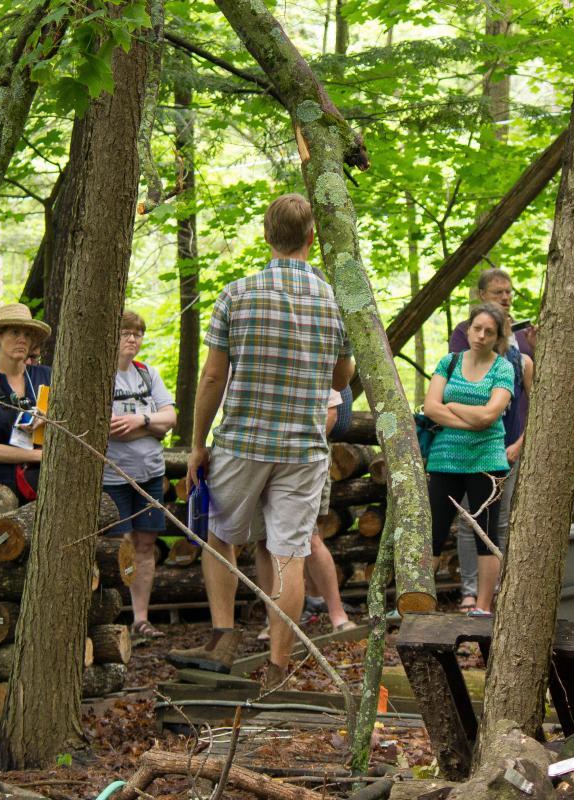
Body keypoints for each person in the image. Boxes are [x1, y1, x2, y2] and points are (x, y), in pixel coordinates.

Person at [168, 193, 354, 686]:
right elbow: (341, 380)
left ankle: (224, 634)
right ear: (312, 238)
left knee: (220, 535)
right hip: (304, 448)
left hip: (243, 441)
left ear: (267, 236)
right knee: (291, 552)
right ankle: (275, 665)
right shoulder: (337, 302)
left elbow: (211, 378)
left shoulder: (237, 294)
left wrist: (197, 442)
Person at [447, 268, 532, 611]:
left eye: (509, 291)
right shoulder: (463, 336)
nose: (506, 297)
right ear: (481, 295)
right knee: (470, 518)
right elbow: (459, 384)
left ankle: (499, 591)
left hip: (510, 445)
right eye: (498, 291)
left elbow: (533, 399)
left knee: (502, 520)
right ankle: (470, 591)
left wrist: (521, 443)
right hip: (471, 445)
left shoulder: (523, 343)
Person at [427, 302, 514, 616]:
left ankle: (482, 607)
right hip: (444, 459)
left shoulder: (503, 367)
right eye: (477, 328)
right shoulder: (448, 362)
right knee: (434, 532)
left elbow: (492, 414)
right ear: (468, 329)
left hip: (486, 462)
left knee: (486, 534)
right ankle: (422, 603)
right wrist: (473, 420)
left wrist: (454, 408)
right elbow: (430, 407)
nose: (481, 335)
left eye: (489, 332)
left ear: (498, 337)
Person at [256, 389, 355, 642]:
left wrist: (300, 448)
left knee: (310, 538)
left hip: (305, 459)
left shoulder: (316, 352)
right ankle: (273, 620)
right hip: (260, 456)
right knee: (264, 541)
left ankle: (338, 616)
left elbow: (331, 413)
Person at [102, 310, 177, 640]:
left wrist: (141, 423)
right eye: (125, 332)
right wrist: (151, 426)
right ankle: (111, 616)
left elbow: (170, 417)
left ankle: (141, 619)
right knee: (119, 547)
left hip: (150, 474)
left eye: (138, 333)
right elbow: (108, 430)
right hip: (113, 476)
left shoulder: (148, 375)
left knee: (146, 543)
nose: (133, 339)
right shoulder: (101, 376)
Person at [0, 304, 52, 502]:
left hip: (41, 488)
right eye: (14, 332)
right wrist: (40, 457)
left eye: (27, 334)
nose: (22, 339)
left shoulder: (47, 376)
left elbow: (71, 421)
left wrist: (48, 418)